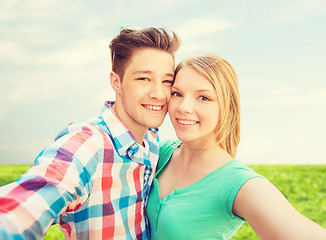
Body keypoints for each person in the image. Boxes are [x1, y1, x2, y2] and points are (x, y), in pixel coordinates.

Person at [0, 27, 180, 239]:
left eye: (167, 81)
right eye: (143, 79)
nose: (159, 94)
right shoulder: (88, 144)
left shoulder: (151, 143)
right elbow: (28, 202)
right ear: (116, 82)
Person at [146, 54, 326, 239]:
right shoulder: (158, 152)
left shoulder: (239, 184)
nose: (183, 107)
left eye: (204, 98)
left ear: (228, 107)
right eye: (177, 94)